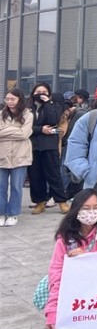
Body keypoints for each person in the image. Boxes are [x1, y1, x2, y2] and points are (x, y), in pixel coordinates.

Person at [45, 189, 97, 329]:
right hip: (74, 287)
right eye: (86, 208)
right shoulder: (66, 235)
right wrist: (52, 312)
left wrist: (87, 260)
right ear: (76, 210)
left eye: (96, 208)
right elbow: (57, 272)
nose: (91, 213)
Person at [27, 83, 68, 214]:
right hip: (32, 146)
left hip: (49, 145)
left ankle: (61, 201)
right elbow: (25, 127)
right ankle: (40, 202)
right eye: (38, 91)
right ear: (33, 93)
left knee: (54, 174)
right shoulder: (28, 108)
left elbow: (53, 120)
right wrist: (41, 129)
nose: (41, 94)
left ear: (49, 94)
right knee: (35, 175)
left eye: (44, 92)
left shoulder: (54, 106)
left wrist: (48, 103)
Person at [0, 89, 33, 227]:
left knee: (16, 187)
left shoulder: (28, 114)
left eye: (12, 99)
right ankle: (1, 213)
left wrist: (5, 132)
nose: (9, 102)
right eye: (7, 99)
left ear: (19, 99)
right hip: (2, 155)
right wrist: (16, 131)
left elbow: (24, 134)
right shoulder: (1, 114)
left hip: (20, 156)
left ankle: (13, 213)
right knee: (1, 187)